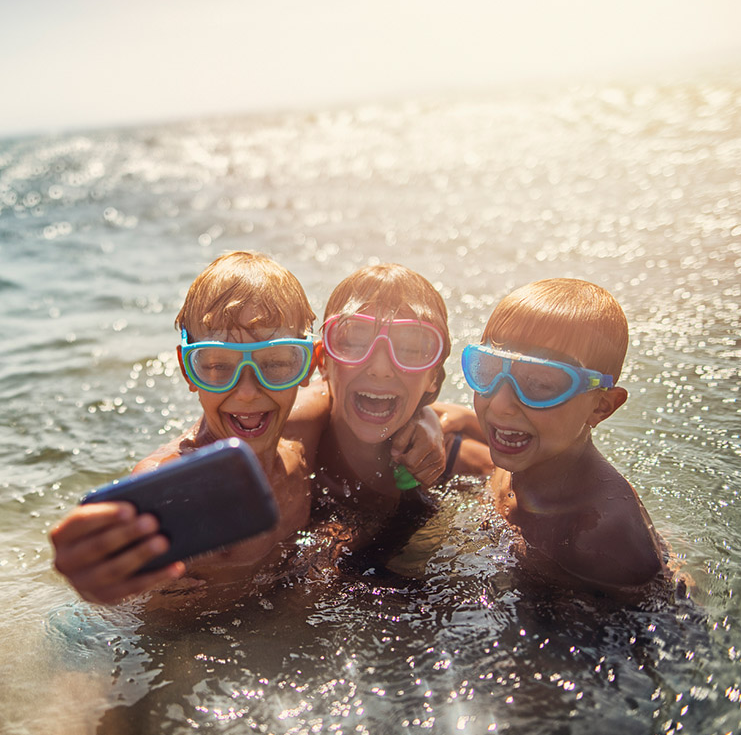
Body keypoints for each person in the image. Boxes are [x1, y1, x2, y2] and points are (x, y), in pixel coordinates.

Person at [49, 250, 316, 610]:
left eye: (277, 363)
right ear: (188, 370)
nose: (249, 391)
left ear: (309, 364)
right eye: (220, 366)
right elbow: (115, 582)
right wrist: (101, 572)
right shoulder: (171, 489)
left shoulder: (300, 449)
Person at [460, 278, 669, 594]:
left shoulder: (601, 535)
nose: (501, 404)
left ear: (600, 407)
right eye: (488, 370)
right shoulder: (527, 449)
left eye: (542, 384)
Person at [287, 264, 451, 538]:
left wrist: (429, 417)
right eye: (353, 342)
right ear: (323, 361)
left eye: (411, 349)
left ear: (433, 375)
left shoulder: (453, 453)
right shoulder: (292, 442)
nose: (380, 367)